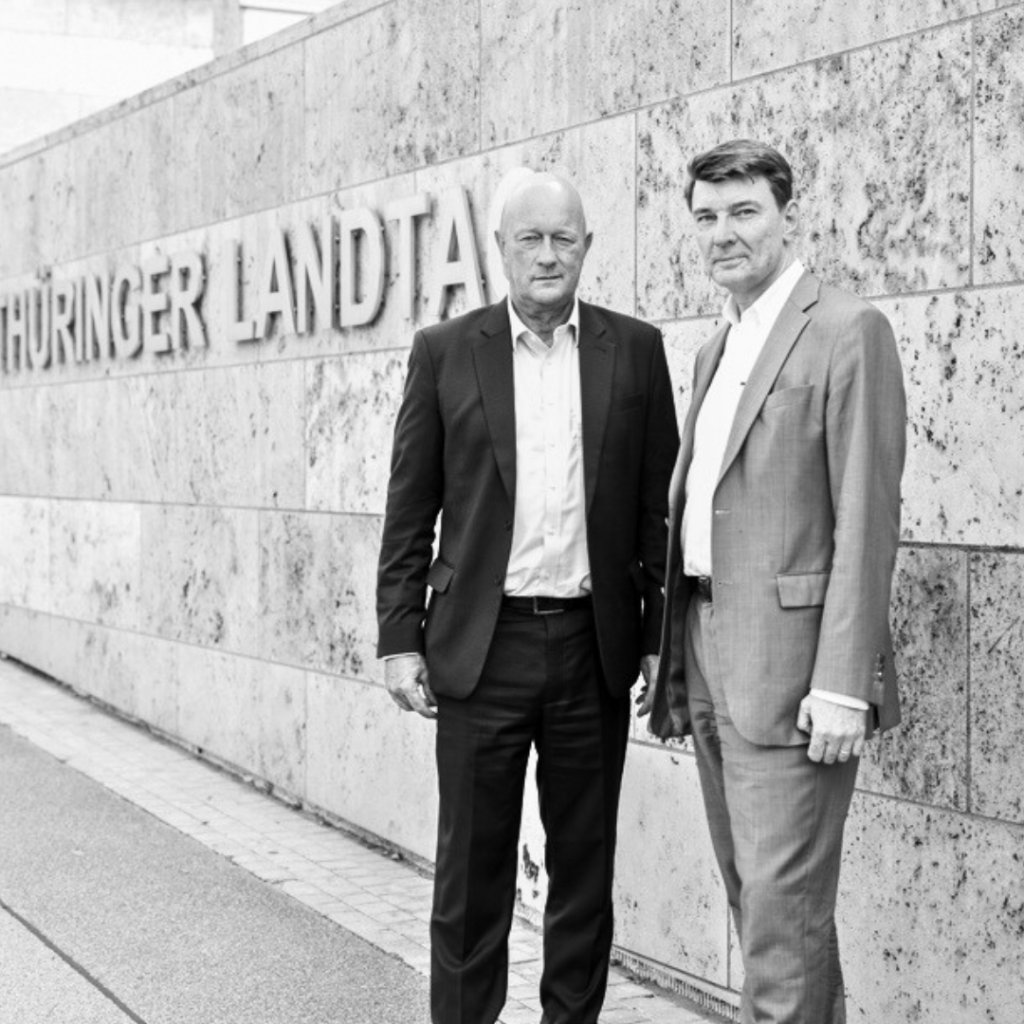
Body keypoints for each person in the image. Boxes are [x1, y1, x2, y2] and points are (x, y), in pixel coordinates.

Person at [376, 171, 678, 1024]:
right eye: (529, 240)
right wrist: (399, 637)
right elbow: (410, 508)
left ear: (587, 246)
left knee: (584, 871)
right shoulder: (445, 351)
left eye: (564, 239)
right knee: (470, 874)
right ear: (500, 250)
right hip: (483, 646)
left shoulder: (635, 350)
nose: (548, 255)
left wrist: (659, 637)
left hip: (594, 646)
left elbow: (659, 510)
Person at [640, 139, 906, 1024]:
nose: (723, 233)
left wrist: (843, 683)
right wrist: (674, 652)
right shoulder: (718, 347)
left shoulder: (845, 328)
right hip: (711, 659)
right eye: (706, 217)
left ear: (790, 217)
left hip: (795, 677)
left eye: (743, 211)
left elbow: (866, 516)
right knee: (770, 912)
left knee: (779, 926)